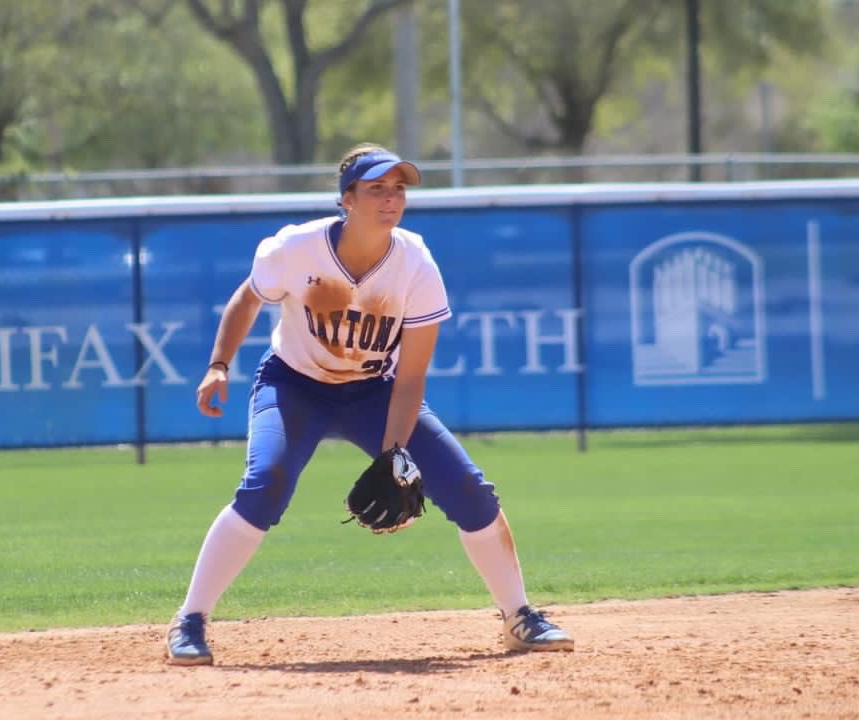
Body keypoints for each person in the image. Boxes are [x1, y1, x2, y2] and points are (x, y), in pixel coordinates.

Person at [166, 143, 574, 665]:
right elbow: (249, 297)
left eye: (399, 188)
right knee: (266, 482)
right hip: (294, 383)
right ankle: (190, 619)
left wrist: (394, 455)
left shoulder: (415, 265)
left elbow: (411, 377)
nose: (391, 199)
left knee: (469, 490)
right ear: (347, 200)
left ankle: (520, 617)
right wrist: (219, 364)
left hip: (373, 391)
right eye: (377, 189)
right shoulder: (297, 248)